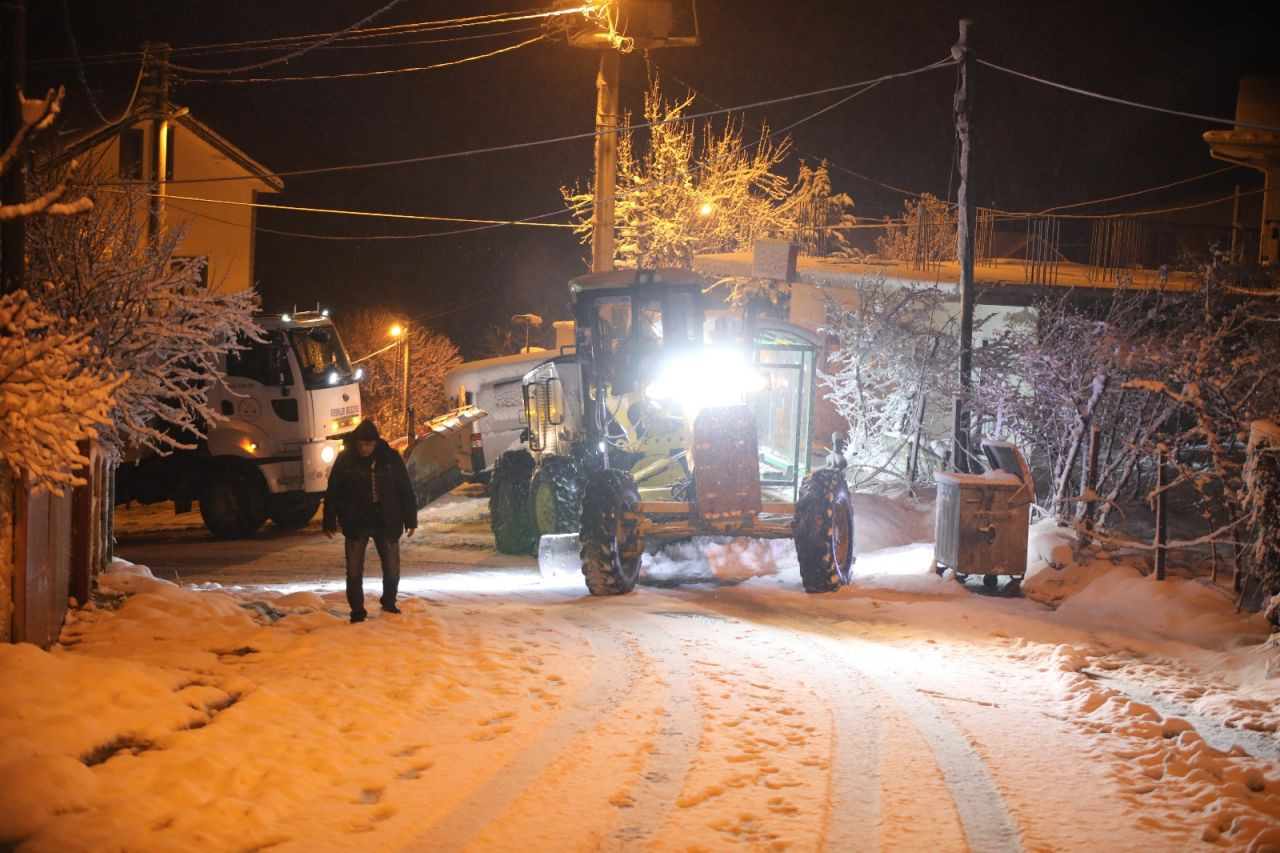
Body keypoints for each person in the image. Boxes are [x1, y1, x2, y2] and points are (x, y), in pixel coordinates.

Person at [323, 419, 417, 623]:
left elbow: (405, 489)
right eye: (361, 444)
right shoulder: (346, 459)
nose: (364, 448)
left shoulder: (390, 458)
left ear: (375, 443)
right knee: (354, 570)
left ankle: (389, 602)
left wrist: (410, 518)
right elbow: (333, 491)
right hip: (356, 521)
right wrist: (329, 518)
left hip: (387, 520)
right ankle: (357, 611)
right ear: (356, 443)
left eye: (368, 444)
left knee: (392, 567)